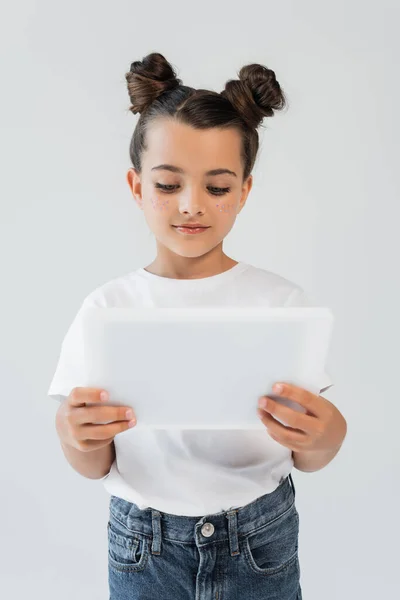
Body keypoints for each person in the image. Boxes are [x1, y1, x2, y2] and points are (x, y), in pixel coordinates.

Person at [49, 52, 347, 600]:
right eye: (168, 186)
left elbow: (310, 454)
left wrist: (328, 436)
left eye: (216, 187)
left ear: (244, 192)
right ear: (137, 187)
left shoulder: (280, 303)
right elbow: (94, 464)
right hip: (144, 542)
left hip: (259, 540)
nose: (191, 206)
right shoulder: (108, 309)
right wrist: (75, 436)